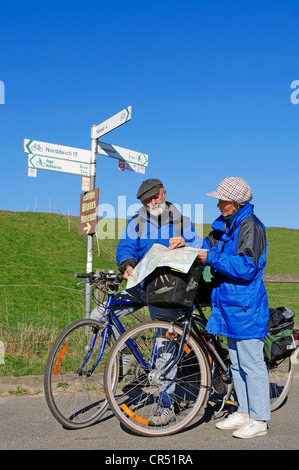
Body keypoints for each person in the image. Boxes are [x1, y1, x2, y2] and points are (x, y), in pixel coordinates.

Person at [91, 178, 202, 425]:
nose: (152, 203)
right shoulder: (136, 222)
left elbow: (199, 245)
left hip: (167, 290)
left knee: (164, 346)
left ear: (164, 193)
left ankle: (166, 405)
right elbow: (125, 247)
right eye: (146, 201)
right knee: (98, 314)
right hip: (141, 286)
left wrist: (185, 242)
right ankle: (125, 356)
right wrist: (127, 264)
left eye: (154, 198)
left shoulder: (181, 221)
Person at [197, 177, 270, 439]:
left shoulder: (251, 226)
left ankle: (259, 419)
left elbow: (247, 267)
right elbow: (208, 248)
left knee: (252, 364)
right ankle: (245, 411)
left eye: (222, 200)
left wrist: (212, 257)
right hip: (230, 304)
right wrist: (187, 247)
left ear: (236, 202)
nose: (218, 204)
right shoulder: (230, 225)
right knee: (237, 364)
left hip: (245, 305)